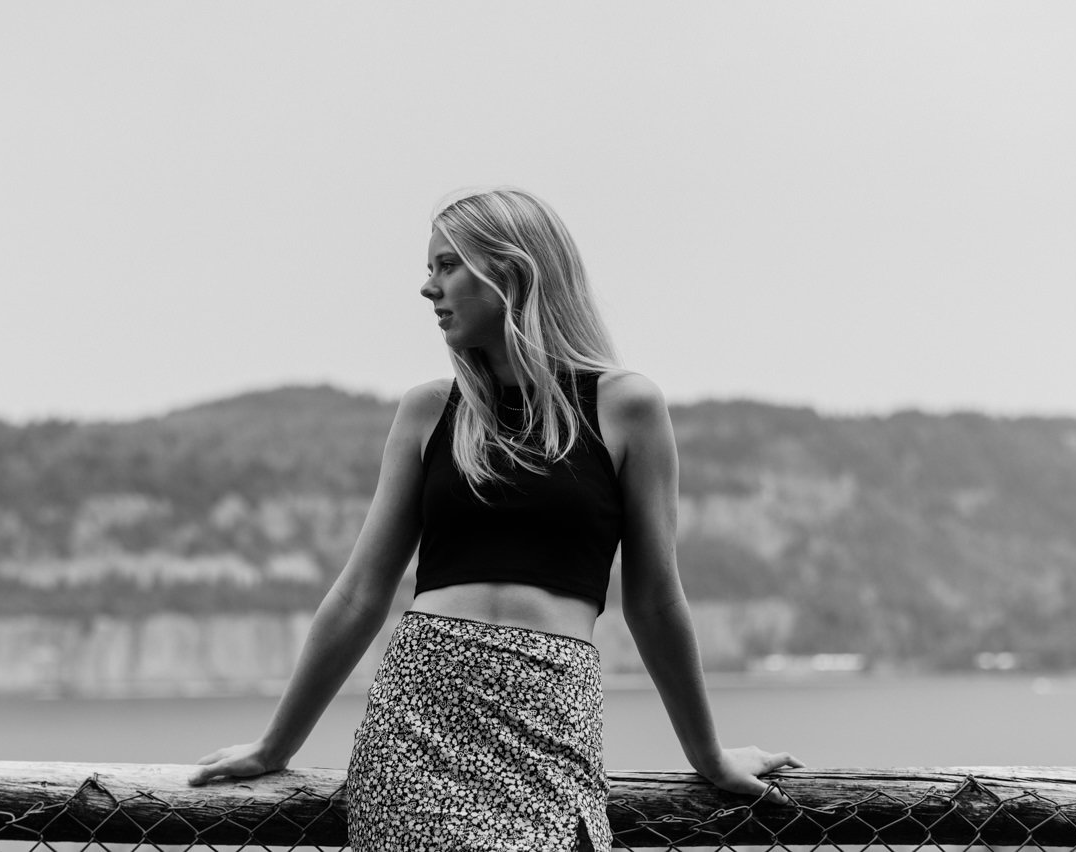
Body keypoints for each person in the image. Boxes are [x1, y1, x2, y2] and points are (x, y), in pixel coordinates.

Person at [187, 187, 802, 851]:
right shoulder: (429, 410)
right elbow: (360, 593)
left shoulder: (626, 407)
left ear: (511, 271)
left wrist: (708, 757)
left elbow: (654, 600)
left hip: (550, 724)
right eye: (429, 269)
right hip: (419, 725)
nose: (429, 289)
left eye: (447, 265)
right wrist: (275, 745)